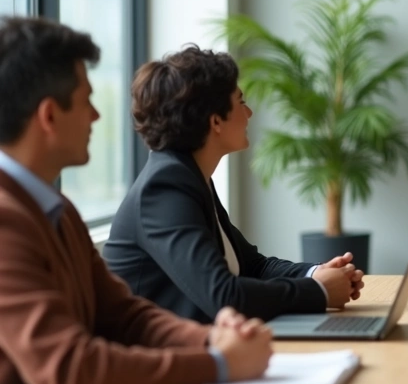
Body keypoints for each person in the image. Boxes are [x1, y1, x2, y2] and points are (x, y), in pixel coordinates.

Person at [0, 17, 273, 384]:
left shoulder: (57, 210)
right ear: (49, 115)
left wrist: (211, 340)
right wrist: (218, 363)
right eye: (86, 100)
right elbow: (71, 371)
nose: (96, 115)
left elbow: (125, 316)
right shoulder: (6, 221)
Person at [103, 47, 364, 323]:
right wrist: (319, 291)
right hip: (156, 358)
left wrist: (317, 273)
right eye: (241, 102)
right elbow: (224, 296)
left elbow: (254, 266)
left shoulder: (190, 176)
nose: (249, 112)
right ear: (216, 121)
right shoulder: (164, 188)